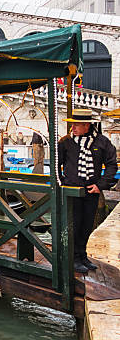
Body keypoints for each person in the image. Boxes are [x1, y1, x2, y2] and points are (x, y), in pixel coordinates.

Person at [58, 109, 117, 274]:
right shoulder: (66, 142)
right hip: (72, 191)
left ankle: (82, 256)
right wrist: (63, 183)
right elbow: (56, 165)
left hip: (91, 191)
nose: (73, 128)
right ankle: (74, 258)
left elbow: (112, 165)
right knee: (74, 225)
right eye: (72, 124)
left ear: (87, 125)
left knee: (87, 226)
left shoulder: (102, 142)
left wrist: (101, 184)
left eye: (76, 125)